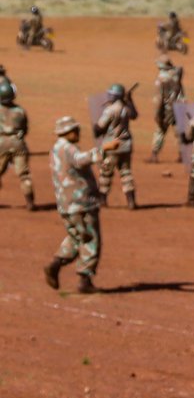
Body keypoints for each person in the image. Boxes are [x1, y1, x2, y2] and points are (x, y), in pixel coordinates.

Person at [44, 116, 120, 293]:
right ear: (66, 132)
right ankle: (85, 280)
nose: (78, 133)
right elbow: (81, 159)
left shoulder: (56, 149)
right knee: (91, 239)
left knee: (76, 237)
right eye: (75, 130)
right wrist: (104, 149)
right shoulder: (68, 149)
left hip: (66, 204)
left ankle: (55, 264)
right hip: (81, 203)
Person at [95, 82, 139, 209]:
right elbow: (134, 115)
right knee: (126, 173)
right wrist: (129, 100)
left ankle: (102, 200)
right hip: (126, 145)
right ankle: (131, 201)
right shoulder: (126, 108)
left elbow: (100, 128)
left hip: (112, 146)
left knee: (106, 173)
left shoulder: (110, 110)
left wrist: (95, 128)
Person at [0, 80, 34, 210]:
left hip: (1, 143)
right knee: (24, 175)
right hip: (18, 143)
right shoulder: (20, 111)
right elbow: (25, 129)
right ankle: (30, 202)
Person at [150, 56, 184, 163]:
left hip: (166, 109)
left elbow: (160, 99)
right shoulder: (176, 74)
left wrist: (157, 113)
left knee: (160, 131)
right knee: (179, 132)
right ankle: (182, 155)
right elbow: (180, 68)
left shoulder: (161, 79)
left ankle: (154, 155)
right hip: (178, 106)